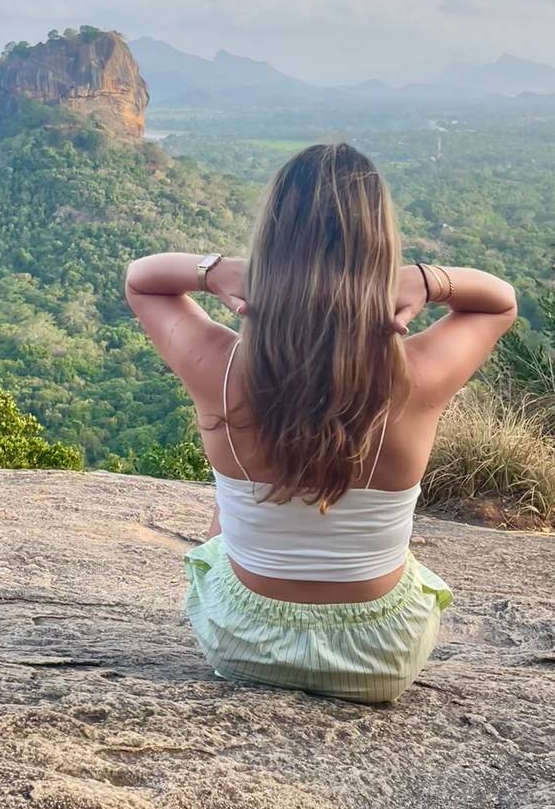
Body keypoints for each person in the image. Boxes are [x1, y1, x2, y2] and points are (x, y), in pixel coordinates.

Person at [124, 142, 517, 703]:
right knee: (392, 551)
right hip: (382, 655)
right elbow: (499, 303)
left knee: (223, 520)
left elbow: (142, 280)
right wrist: (427, 281)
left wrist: (215, 272)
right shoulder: (418, 376)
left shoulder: (222, 367)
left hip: (243, 646)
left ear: (271, 249)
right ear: (378, 253)